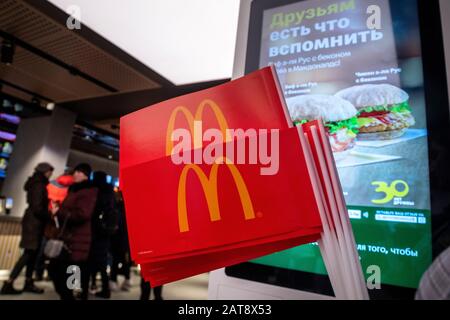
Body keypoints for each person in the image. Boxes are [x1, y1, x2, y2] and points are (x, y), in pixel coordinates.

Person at [1, 162, 54, 295]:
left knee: (32, 254)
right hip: (34, 223)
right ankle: (9, 283)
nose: (51, 174)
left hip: (33, 222)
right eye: (50, 172)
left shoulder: (36, 183)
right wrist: (49, 215)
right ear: (44, 171)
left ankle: (28, 283)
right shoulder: (39, 185)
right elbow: (37, 207)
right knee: (28, 254)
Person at [47, 163, 98, 300]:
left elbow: (83, 214)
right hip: (68, 238)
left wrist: (60, 211)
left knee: (67, 275)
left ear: (85, 175)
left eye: (79, 172)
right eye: (75, 171)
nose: (75, 174)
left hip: (77, 239)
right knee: (57, 271)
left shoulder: (88, 191)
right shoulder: (74, 190)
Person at [35, 172, 74, 281]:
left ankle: (39, 273)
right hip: (60, 226)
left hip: (48, 223)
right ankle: (51, 274)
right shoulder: (71, 190)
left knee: (43, 251)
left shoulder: (51, 184)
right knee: (56, 251)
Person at [88, 171, 117, 299]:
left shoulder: (94, 190)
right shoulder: (110, 193)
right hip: (105, 233)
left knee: (86, 261)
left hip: (93, 231)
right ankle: (105, 289)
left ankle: (88, 285)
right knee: (101, 262)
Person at [109, 191, 131, 291]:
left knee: (116, 260)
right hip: (126, 239)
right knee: (125, 260)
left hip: (118, 238)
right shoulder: (129, 208)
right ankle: (127, 280)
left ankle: (114, 280)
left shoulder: (116, 207)